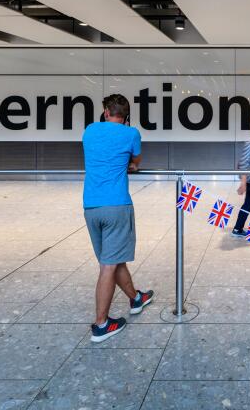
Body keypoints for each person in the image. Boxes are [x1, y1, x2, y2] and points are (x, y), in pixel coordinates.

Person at [82, 94, 153, 342]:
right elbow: (135, 161)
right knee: (109, 265)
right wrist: (130, 165)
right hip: (117, 205)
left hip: (91, 206)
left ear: (105, 111)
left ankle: (136, 298)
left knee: (112, 258)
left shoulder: (89, 131)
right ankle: (101, 324)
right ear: (126, 115)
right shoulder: (131, 133)